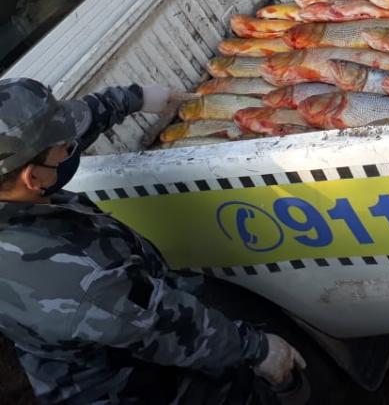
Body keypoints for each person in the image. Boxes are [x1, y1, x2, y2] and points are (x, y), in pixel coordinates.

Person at [0, 78, 306, 404]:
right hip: (129, 384)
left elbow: (49, 138)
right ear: (33, 178)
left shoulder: (16, 182)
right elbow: (167, 326)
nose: (72, 148)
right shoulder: (70, 275)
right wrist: (257, 349)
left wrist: (132, 98)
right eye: (66, 147)